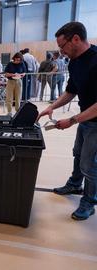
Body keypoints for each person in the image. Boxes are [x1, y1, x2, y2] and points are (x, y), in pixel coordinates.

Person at [38, 22, 97, 220]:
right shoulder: (74, 62)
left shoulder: (96, 61)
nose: (61, 51)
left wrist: (72, 120)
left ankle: (89, 202)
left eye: (62, 46)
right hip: (86, 119)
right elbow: (71, 91)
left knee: (90, 164)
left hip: (95, 122)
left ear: (76, 39)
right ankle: (74, 184)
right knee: (78, 154)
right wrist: (51, 107)